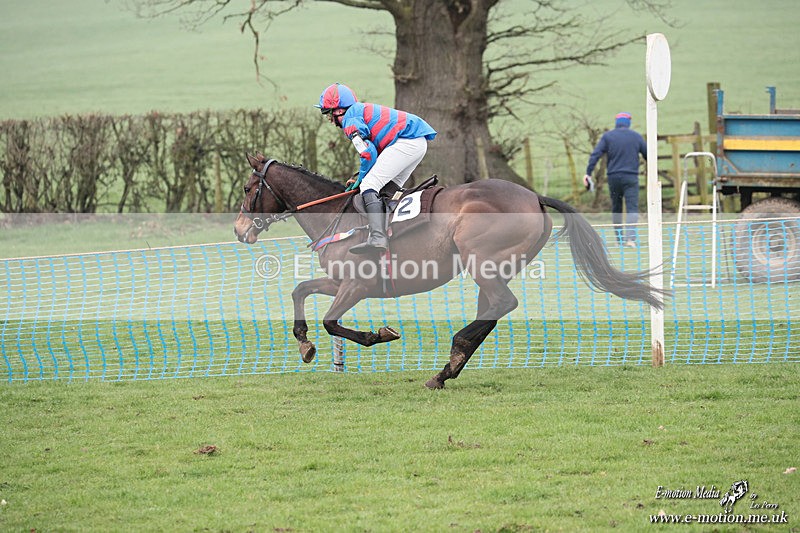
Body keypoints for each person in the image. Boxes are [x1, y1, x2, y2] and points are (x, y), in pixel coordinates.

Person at [316, 83, 437, 254]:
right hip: (416, 142)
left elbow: (367, 153)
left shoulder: (350, 122)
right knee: (386, 188)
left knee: (368, 185)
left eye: (329, 114)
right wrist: (361, 174)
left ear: (338, 111)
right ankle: (394, 233)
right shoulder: (357, 112)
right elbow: (372, 151)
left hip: (407, 141)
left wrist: (361, 179)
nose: (330, 120)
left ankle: (378, 237)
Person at [584, 112, 647, 247]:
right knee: (632, 208)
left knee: (616, 208)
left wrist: (588, 173)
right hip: (631, 177)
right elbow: (649, 155)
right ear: (628, 122)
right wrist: (652, 171)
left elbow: (595, 155)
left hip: (613, 178)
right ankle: (630, 239)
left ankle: (619, 240)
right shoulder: (636, 137)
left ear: (616, 122)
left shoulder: (608, 137)